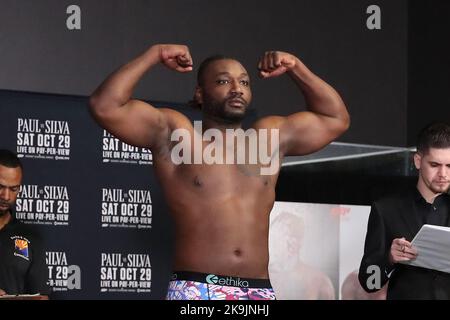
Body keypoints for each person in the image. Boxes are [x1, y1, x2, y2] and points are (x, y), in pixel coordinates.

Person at [89, 44, 350, 300]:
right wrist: (153, 54)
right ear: (200, 93)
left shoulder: (269, 138)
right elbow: (106, 106)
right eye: (224, 82)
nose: (237, 89)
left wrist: (296, 66)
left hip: (256, 291)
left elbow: (334, 118)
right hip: (198, 289)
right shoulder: (178, 136)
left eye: (245, 83)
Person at [359, 122, 450, 300]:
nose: (443, 174)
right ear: (418, 161)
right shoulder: (386, 209)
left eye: (449, 166)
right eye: (434, 165)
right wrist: (389, 259)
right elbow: (370, 283)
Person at [0, 149, 50, 299]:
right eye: (0, 187)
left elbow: (41, 296)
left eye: (13, 189)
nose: (6, 196)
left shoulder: (29, 238)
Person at [269, 211, 336, 300]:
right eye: (273, 238)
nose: (273, 244)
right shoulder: (261, 277)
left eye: (293, 235)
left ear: (298, 242)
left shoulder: (319, 281)